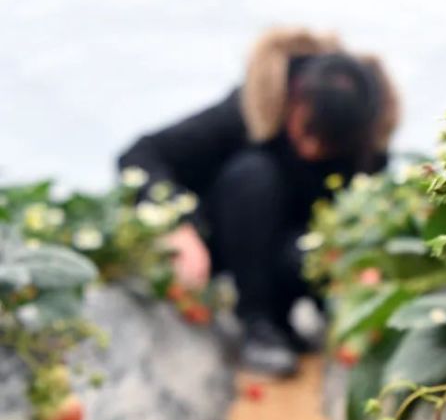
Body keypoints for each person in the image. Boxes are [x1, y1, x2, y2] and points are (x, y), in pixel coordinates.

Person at [117, 28, 399, 376]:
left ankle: (307, 321)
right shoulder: (248, 108)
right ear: (295, 98)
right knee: (252, 173)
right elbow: (139, 155)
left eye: (330, 144)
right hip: (231, 248)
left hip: (299, 252)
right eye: (308, 130)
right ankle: (257, 325)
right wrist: (179, 227)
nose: (312, 150)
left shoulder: (366, 146)